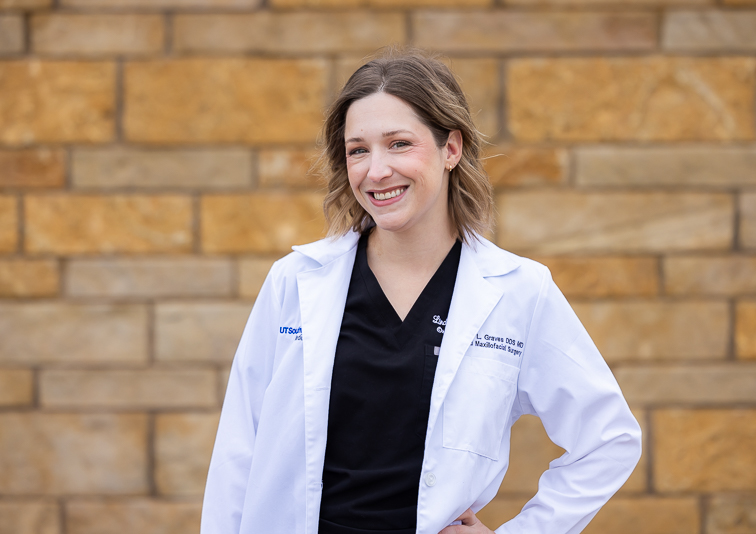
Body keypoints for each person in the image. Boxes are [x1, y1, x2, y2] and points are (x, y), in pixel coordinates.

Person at [201, 49, 641, 534]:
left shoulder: (518, 292)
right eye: (358, 150)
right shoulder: (295, 281)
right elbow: (238, 452)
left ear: (450, 148)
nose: (376, 170)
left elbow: (608, 438)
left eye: (398, 144)